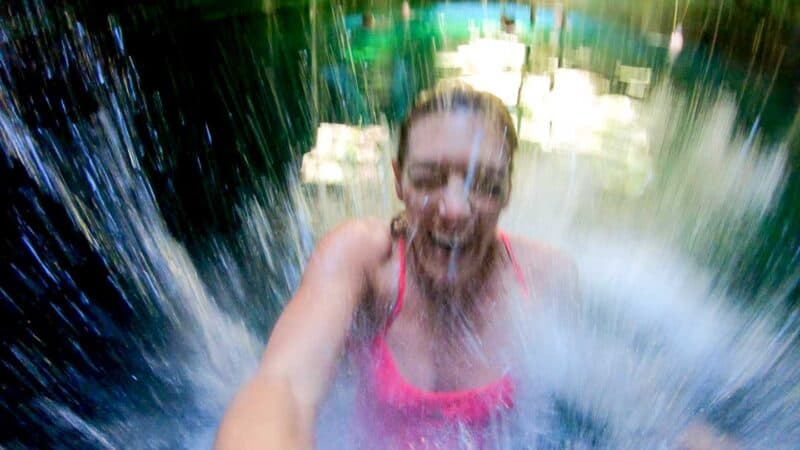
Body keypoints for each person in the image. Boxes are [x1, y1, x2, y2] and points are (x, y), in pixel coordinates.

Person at [213, 84, 728, 448]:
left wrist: (690, 436)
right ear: (398, 181)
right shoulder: (364, 262)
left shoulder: (546, 278)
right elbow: (283, 386)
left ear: (508, 190)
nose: (455, 209)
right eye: (430, 178)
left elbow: (613, 396)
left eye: (483, 183)